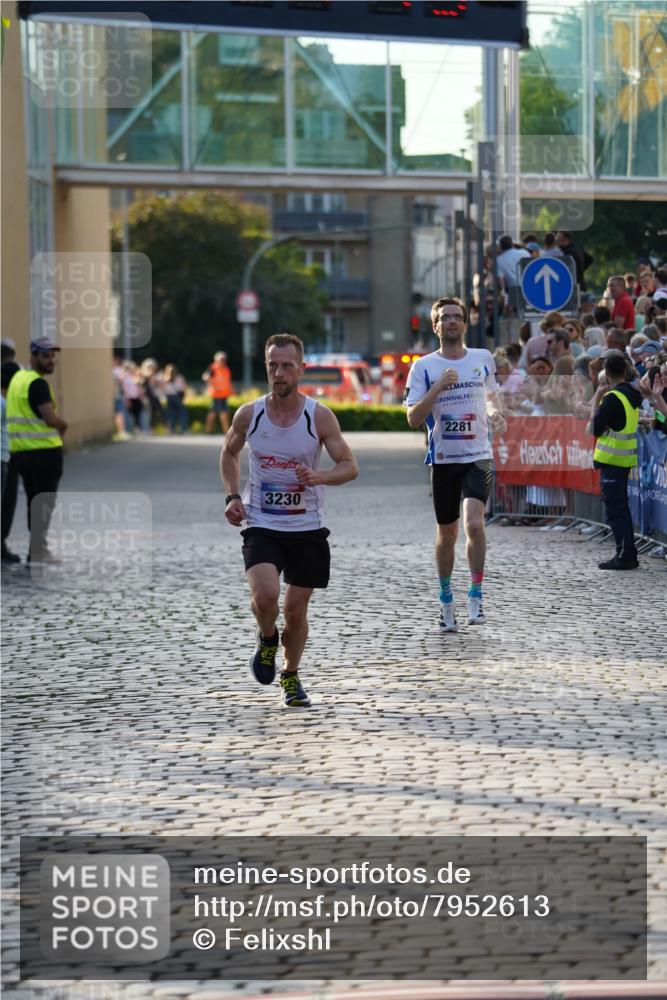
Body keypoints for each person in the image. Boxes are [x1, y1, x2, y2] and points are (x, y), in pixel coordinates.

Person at [221, 332, 358, 708]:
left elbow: (349, 466)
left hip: (306, 527)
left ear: (301, 369)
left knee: (295, 612)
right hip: (261, 523)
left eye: (286, 366)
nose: (278, 372)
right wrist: (233, 496)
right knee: (265, 596)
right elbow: (229, 453)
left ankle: (291, 675)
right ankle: (267, 638)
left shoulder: (319, 416)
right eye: (272, 365)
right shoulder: (249, 414)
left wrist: (320, 476)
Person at [405, 296, 506, 632]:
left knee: (474, 524)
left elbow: (491, 398)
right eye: (444, 317)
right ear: (435, 326)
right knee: (446, 533)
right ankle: (446, 600)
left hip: (478, 455)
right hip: (444, 459)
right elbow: (413, 417)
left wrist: (496, 414)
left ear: (464, 324)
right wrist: (437, 387)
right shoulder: (423, 367)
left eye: (456, 317)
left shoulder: (482, 358)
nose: (451, 321)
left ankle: (476, 595)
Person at [5, 337, 67, 562]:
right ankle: (38, 551)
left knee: (32, 501)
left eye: (52, 356)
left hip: (18, 452)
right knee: (43, 503)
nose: (50, 360)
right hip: (44, 453)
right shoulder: (38, 383)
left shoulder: (17, 379)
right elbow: (49, 418)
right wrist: (63, 425)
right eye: (45, 356)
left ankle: (35, 550)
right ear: (33, 356)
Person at [588, 352, 642, 570]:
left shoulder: (613, 397)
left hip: (612, 460)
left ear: (607, 375)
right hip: (623, 460)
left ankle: (625, 555)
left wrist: (597, 397)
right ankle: (628, 552)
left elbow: (593, 427)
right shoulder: (631, 394)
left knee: (615, 511)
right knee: (621, 509)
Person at [204, 351, 233, 434]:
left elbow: (227, 381)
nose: (223, 361)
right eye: (221, 359)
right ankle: (225, 431)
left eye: (224, 359)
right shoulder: (213, 368)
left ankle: (209, 430)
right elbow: (205, 377)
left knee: (216, 412)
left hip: (224, 394)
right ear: (216, 360)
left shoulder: (226, 368)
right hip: (217, 394)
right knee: (221, 412)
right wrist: (211, 385)